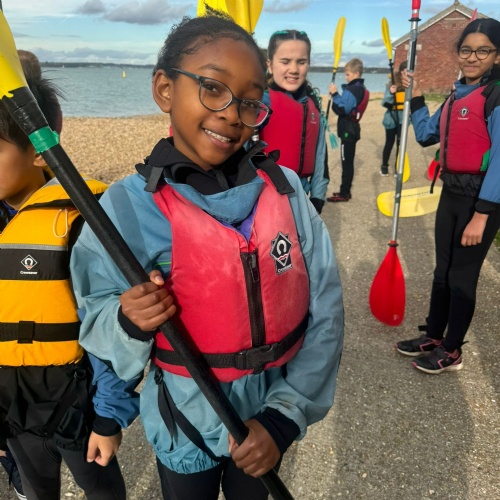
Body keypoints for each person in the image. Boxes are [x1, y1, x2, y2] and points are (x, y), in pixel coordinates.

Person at [70, 14, 344, 500]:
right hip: (184, 424)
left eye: (250, 102)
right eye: (213, 88)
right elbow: (97, 320)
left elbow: (326, 306)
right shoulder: (126, 208)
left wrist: (284, 418)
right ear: (164, 89)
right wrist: (128, 323)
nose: (233, 114)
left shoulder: (285, 190)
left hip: (266, 420)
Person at [0, 60, 139, 498]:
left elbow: (109, 327)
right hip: (13, 412)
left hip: (77, 405)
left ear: (38, 148)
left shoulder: (78, 222)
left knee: (103, 491)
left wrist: (108, 416)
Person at [395, 18, 500, 374]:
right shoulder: (456, 95)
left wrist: (482, 214)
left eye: (483, 51)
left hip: (480, 202)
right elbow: (425, 134)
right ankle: (434, 336)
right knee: (442, 272)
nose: (472, 57)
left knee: (461, 278)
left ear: (497, 56)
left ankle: (452, 350)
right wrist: (415, 95)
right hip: (451, 194)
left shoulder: (496, 96)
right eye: (466, 50)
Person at [258, 29, 329, 214]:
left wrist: (318, 197)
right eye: (285, 61)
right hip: (263, 200)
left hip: (301, 199)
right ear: (270, 65)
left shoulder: (313, 106)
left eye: (301, 62)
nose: (294, 69)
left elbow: (320, 157)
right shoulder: (260, 103)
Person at [327, 58, 369, 202]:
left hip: (349, 130)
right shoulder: (359, 87)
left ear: (356, 73)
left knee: (346, 162)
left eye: (348, 74)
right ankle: (345, 191)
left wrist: (335, 94)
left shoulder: (353, 89)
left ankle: (344, 193)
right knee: (347, 162)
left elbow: (344, 108)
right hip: (351, 128)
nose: (346, 77)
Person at [380, 61, 407, 176]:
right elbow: (384, 103)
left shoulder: (410, 85)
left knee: (400, 143)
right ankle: (384, 165)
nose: (408, 74)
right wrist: (391, 93)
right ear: (401, 72)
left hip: (403, 119)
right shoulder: (391, 84)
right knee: (390, 142)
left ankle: (398, 167)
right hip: (391, 118)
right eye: (406, 72)